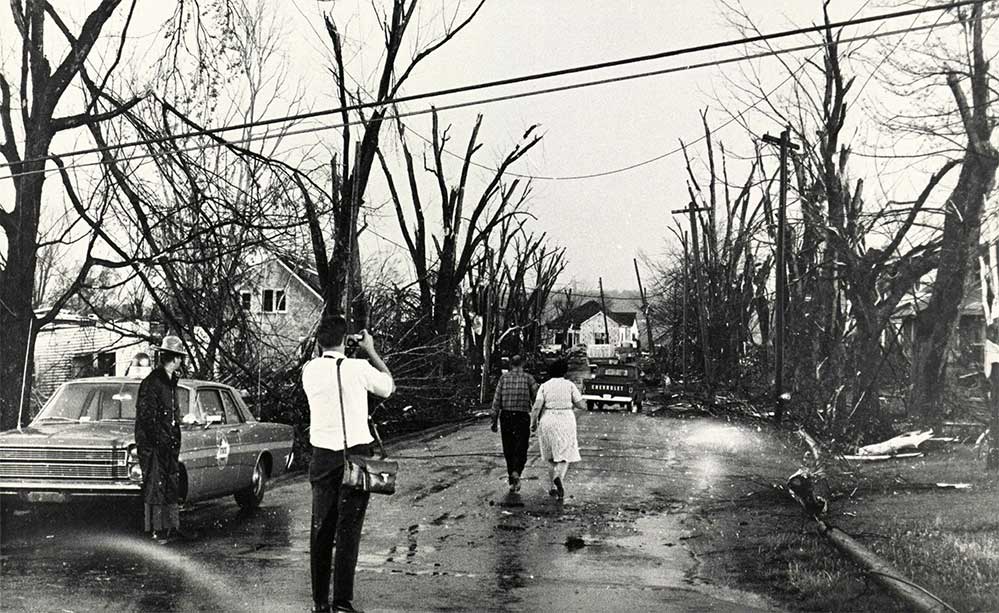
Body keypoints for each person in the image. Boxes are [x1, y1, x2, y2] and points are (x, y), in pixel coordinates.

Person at [303, 316, 394, 613]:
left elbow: (326, 366)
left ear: (318, 342)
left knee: (321, 529)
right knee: (349, 530)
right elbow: (388, 387)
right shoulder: (358, 367)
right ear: (346, 341)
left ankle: (320, 601)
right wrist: (369, 350)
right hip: (355, 453)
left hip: (322, 455)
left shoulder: (309, 371)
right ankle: (343, 601)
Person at [134, 335, 186, 541]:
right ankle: (156, 529)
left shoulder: (170, 382)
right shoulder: (153, 383)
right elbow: (147, 417)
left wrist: (172, 437)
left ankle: (171, 527)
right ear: (173, 359)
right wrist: (160, 440)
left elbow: (172, 413)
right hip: (154, 445)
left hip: (168, 443)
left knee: (170, 484)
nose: (181, 362)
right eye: (180, 358)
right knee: (156, 486)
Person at [531, 359, 585, 499]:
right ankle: (558, 477)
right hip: (566, 419)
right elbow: (581, 405)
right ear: (564, 371)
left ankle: (553, 486)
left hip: (548, 418)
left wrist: (533, 422)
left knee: (550, 456)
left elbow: (537, 406)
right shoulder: (570, 385)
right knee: (564, 454)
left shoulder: (544, 386)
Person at [490, 355, 538, 493]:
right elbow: (536, 399)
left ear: (511, 364)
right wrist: (537, 417)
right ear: (523, 363)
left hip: (506, 416)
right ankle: (517, 471)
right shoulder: (529, 378)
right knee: (521, 447)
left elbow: (496, 401)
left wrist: (494, 421)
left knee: (508, 448)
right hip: (522, 416)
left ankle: (512, 479)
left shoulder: (503, 379)